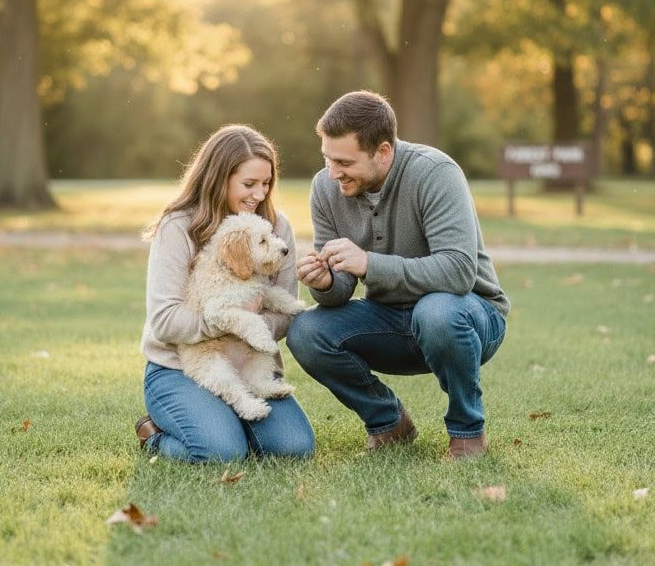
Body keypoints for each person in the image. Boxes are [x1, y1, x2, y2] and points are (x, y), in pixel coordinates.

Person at [287, 91, 509, 460]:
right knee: (305, 331)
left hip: (467, 317)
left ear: (384, 152)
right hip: (389, 320)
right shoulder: (325, 188)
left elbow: (457, 272)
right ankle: (389, 423)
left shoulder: (435, 173)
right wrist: (325, 282)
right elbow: (341, 288)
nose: (332, 172)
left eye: (344, 161)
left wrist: (370, 264)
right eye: (327, 158)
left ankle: (467, 433)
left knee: (436, 311)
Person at [134, 125, 315, 462]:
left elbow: (284, 314)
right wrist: (232, 320)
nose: (259, 195)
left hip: (249, 365)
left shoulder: (277, 227)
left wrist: (252, 323)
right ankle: (155, 436)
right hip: (179, 367)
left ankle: (226, 422)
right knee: (220, 451)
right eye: (249, 184)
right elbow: (165, 320)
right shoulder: (179, 226)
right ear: (218, 178)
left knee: (294, 448)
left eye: (266, 184)